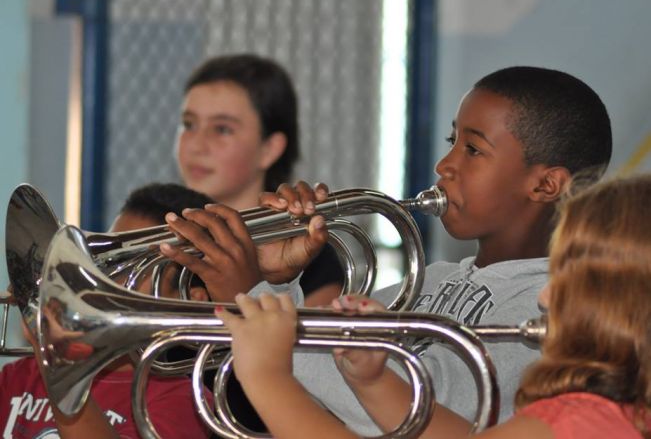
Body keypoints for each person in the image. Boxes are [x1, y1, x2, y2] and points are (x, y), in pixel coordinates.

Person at [246, 65, 614, 435]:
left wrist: (246, 292)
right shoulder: (431, 280)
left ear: (546, 185)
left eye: (472, 149)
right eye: (450, 141)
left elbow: (424, 408)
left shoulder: (547, 307)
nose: (444, 165)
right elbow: (322, 376)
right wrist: (278, 283)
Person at [216, 173, 651, 439]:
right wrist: (374, 381)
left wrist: (267, 376)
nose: (545, 296)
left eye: (570, 278)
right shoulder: (612, 413)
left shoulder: (584, 423)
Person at [0, 183, 215, 438]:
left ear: (188, 302)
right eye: (105, 259)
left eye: (134, 266)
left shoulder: (184, 400)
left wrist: (53, 351)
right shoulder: (22, 376)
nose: (106, 276)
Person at [175, 53, 344, 307]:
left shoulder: (309, 258)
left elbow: (305, 348)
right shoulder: (165, 233)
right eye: (189, 124)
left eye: (222, 129)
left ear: (269, 149)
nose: (196, 145)